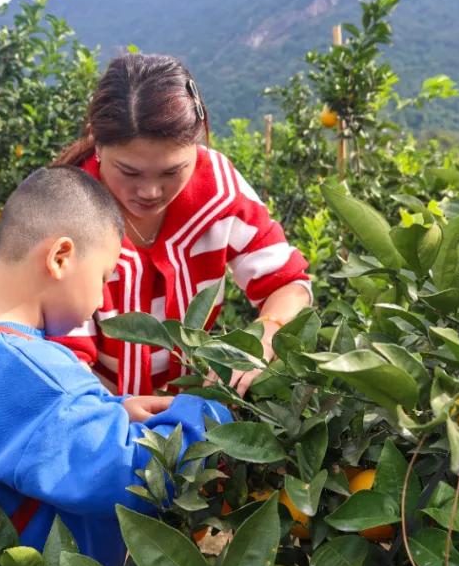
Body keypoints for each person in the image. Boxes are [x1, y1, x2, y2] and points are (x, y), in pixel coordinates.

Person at [0, 166, 229, 566]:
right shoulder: (39, 376)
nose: (104, 298)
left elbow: (20, 440)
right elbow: (134, 476)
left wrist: (112, 410)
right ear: (61, 256)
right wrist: (208, 414)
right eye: (106, 275)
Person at [51, 53, 312, 399]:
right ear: (97, 144)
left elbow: (290, 284)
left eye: (172, 171)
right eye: (129, 172)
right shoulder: (67, 207)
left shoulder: (218, 191)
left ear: (198, 141)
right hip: (95, 410)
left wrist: (264, 337)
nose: (150, 192)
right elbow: (61, 352)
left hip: (192, 400)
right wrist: (111, 415)